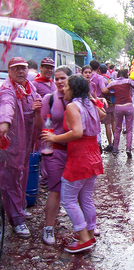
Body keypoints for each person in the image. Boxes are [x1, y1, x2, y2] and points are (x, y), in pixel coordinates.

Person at [41, 75, 105, 253]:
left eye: (67, 86)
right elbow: (103, 116)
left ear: (73, 89)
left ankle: (83, 238)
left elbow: (77, 132)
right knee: (85, 197)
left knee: (68, 199)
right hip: (93, 154)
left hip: (79, 156)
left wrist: (53, 137)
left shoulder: (72, 106)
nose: (63, 89)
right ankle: (90, 233)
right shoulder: (90, 104)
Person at [0, 57, 43, 238]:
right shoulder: (7, 89)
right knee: (10, 180)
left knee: (22, 175)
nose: (20, 72)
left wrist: (37, 106)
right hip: (11, 146)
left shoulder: (29, 87)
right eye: (16, 69)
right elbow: (6, 106)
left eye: (23, 69)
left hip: (26, 144)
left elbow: (37, 100)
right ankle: (16, 220)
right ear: (9, 71)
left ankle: (20, 207)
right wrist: (4, 123)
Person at [40, 66, 72, 245]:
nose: (59, 82)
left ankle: (87, 227)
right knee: (55, 189)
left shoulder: (76, 98)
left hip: (74, 150)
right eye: (56, 78)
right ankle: (48, 226)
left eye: (63, 78)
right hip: (55, 150)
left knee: (79, 188)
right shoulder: (49, 98)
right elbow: (42, 125)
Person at [104, 69, 134, 158]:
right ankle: (128, 149)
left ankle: (115, 149)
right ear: (126, 74)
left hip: (118, 107)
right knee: (129, 130)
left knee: (117, 129)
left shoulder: (113, 83)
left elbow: (105, 90)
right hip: (128, 106)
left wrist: (113, 94)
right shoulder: (128, 81)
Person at [99, 64, 115, 152]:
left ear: (99, 71)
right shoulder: (111, 78)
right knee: (114, 122)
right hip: (113, 103)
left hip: (106, 104)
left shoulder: (102, 79)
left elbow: (103, 91)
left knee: (107, 124)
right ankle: (115, 142)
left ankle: (110, 144)